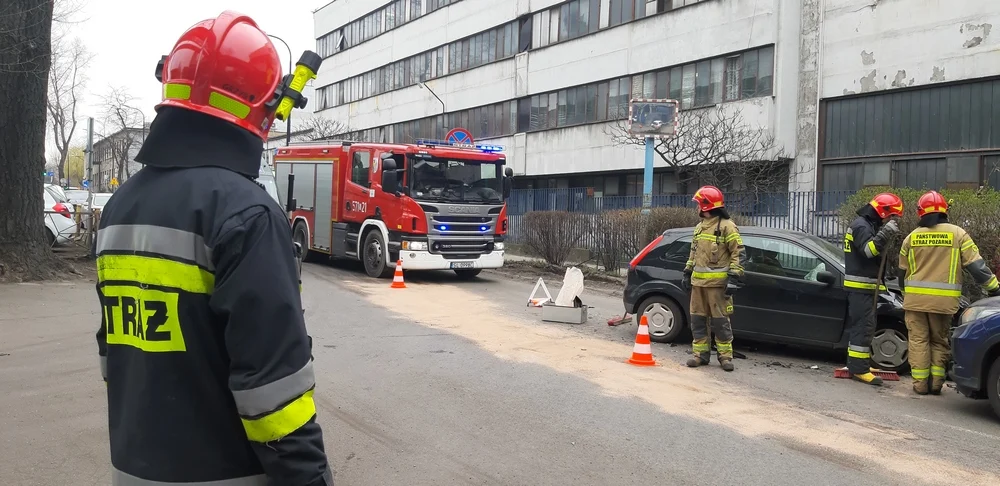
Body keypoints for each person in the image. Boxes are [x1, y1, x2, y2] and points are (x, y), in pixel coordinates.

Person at [94, 11, 333, 485]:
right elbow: (274, 396)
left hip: (134, 469)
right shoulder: (247, 214)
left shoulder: (121, 205)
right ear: (261, 106)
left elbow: (115, 354)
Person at [898, 191, 1000, 395]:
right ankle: (936, 384)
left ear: (920, 212)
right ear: (945, 210)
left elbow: (902, 273)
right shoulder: (958, 234)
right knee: (939, 340)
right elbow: (977, 267)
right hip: (943, 303)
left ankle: (919, 385)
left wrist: (905, 293)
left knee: (918, 341)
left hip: (915, 302)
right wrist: (994, 288)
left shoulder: (911, 237)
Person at [842, 192, 903, 386]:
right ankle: (859, 370)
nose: (892, 219)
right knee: (863, 327)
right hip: (861, 288)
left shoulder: (866, 224)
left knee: (865, 327)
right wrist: (885, 233)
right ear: (883, 211)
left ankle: (858, 364)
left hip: (864, 288)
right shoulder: (861, 226)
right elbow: (869, 251)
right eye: (891, 215)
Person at [682, 185, 745, 371]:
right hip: (698, 285)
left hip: (717, 286)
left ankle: (725, 357)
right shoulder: (699, 228)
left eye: (698, 204)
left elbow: (738, 254)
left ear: (706, 206)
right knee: (698, 320)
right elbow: (693, 253)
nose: (696, 208)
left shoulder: (727, 226)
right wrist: (687, 271)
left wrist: (734, 278)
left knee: (720, 322)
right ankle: (700, 355)